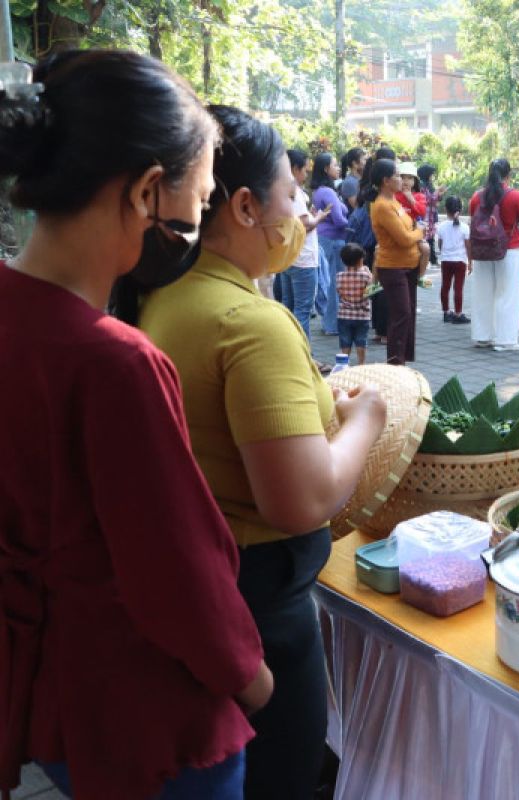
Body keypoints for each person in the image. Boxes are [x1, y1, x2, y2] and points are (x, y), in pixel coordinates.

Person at [0, 50, 272, 800]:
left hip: (51, 690)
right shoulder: (115, 363)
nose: (193, 224)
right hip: (148, 715)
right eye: (200, 198)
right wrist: (254, 680)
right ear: (150, 192)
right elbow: (177, 578)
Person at [138, 105, 386, 796]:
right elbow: (300, 499)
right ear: (245, 206)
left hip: (203, 586)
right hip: (260, 600)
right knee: (283, 777)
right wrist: (366, 416)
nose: (303, 211)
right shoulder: (251, 323)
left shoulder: (164, 297)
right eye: (292, 194)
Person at [469, 158, 519, 352]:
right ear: (508, 175)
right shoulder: (515, 197)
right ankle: (505, 340)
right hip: (509, 249)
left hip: (482, 250)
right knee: (508, 295)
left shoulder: (477, 196)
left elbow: (474, 223)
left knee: (483, 293)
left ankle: (482, 336)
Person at [369, 159, 425, 365]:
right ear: (385, 181)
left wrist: (415, 232)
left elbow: (408, 229)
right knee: (401, 314)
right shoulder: (382, 206)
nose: (402, 180)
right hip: (392, 267)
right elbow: (404, 238)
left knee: (408, 314)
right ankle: (394, 363)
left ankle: (402, 360)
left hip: (408, 265)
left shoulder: (395, 202)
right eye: (398, 176)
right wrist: (420, 232)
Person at [279, 149, 328, 349]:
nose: (306, 174)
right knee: (302, 310)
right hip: (303, 259)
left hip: (288, 256)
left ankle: (288, 351)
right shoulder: (295, 192)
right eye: (304, 170)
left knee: (289, 307)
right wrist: (319, 218)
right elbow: (305, 225)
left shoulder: (280, 189)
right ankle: (304, 356)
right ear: (294, 168)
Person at [313, 151, 350, 337]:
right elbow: (338, 218)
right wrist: (351, 224)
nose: (337, 168)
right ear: (326, 169)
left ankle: (329, 322)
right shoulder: (327, 192)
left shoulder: (319, 191)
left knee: (329, 281)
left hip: (326, 238)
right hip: (334, 240)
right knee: (335, 282)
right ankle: (332, 324)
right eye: (334, 165)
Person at [336, 242, 373, 364]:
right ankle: (361, 364)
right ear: (360, 261)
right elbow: (373, 290)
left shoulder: (339, 276)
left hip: (344, 315)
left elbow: (339, 292)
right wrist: (369, 273)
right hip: (362, 315)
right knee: (361, 341)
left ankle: (343, 364)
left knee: (345, 342)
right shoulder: (366, 276)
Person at [393, 161, 431, 277]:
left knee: (425, 249)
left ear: (415, 181)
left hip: (414, 232)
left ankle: (421, 276)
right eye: (402, 177)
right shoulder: (394, 195)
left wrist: (410, 198)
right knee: (378, 250)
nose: (406, 181)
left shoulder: (419, 196)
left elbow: (422, 211)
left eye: (410, 178)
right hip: (395, 232)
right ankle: (376, 280)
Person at [439, 195, 471, 323]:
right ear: (460, 209)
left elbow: (440, 244)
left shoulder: (441, 226)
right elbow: (468, 247)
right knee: (458, 288)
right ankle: (458, 314)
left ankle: (446, 312)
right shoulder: (465, 227)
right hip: (460, 261)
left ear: (446, 209)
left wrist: (444, 253)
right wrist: (471, 262)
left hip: (446, 260)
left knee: (445, 287)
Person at [417, 163, 442, 264]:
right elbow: (427, 199)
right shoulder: (421, 185)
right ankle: (425, 258)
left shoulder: (428, 184)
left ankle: (432, 258)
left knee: (430, 236)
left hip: (430, 215)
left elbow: (435, 200)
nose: (432, 176)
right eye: (431, 174)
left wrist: (439, 194)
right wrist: (437, 193)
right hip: (424, 215)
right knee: (424, 236)